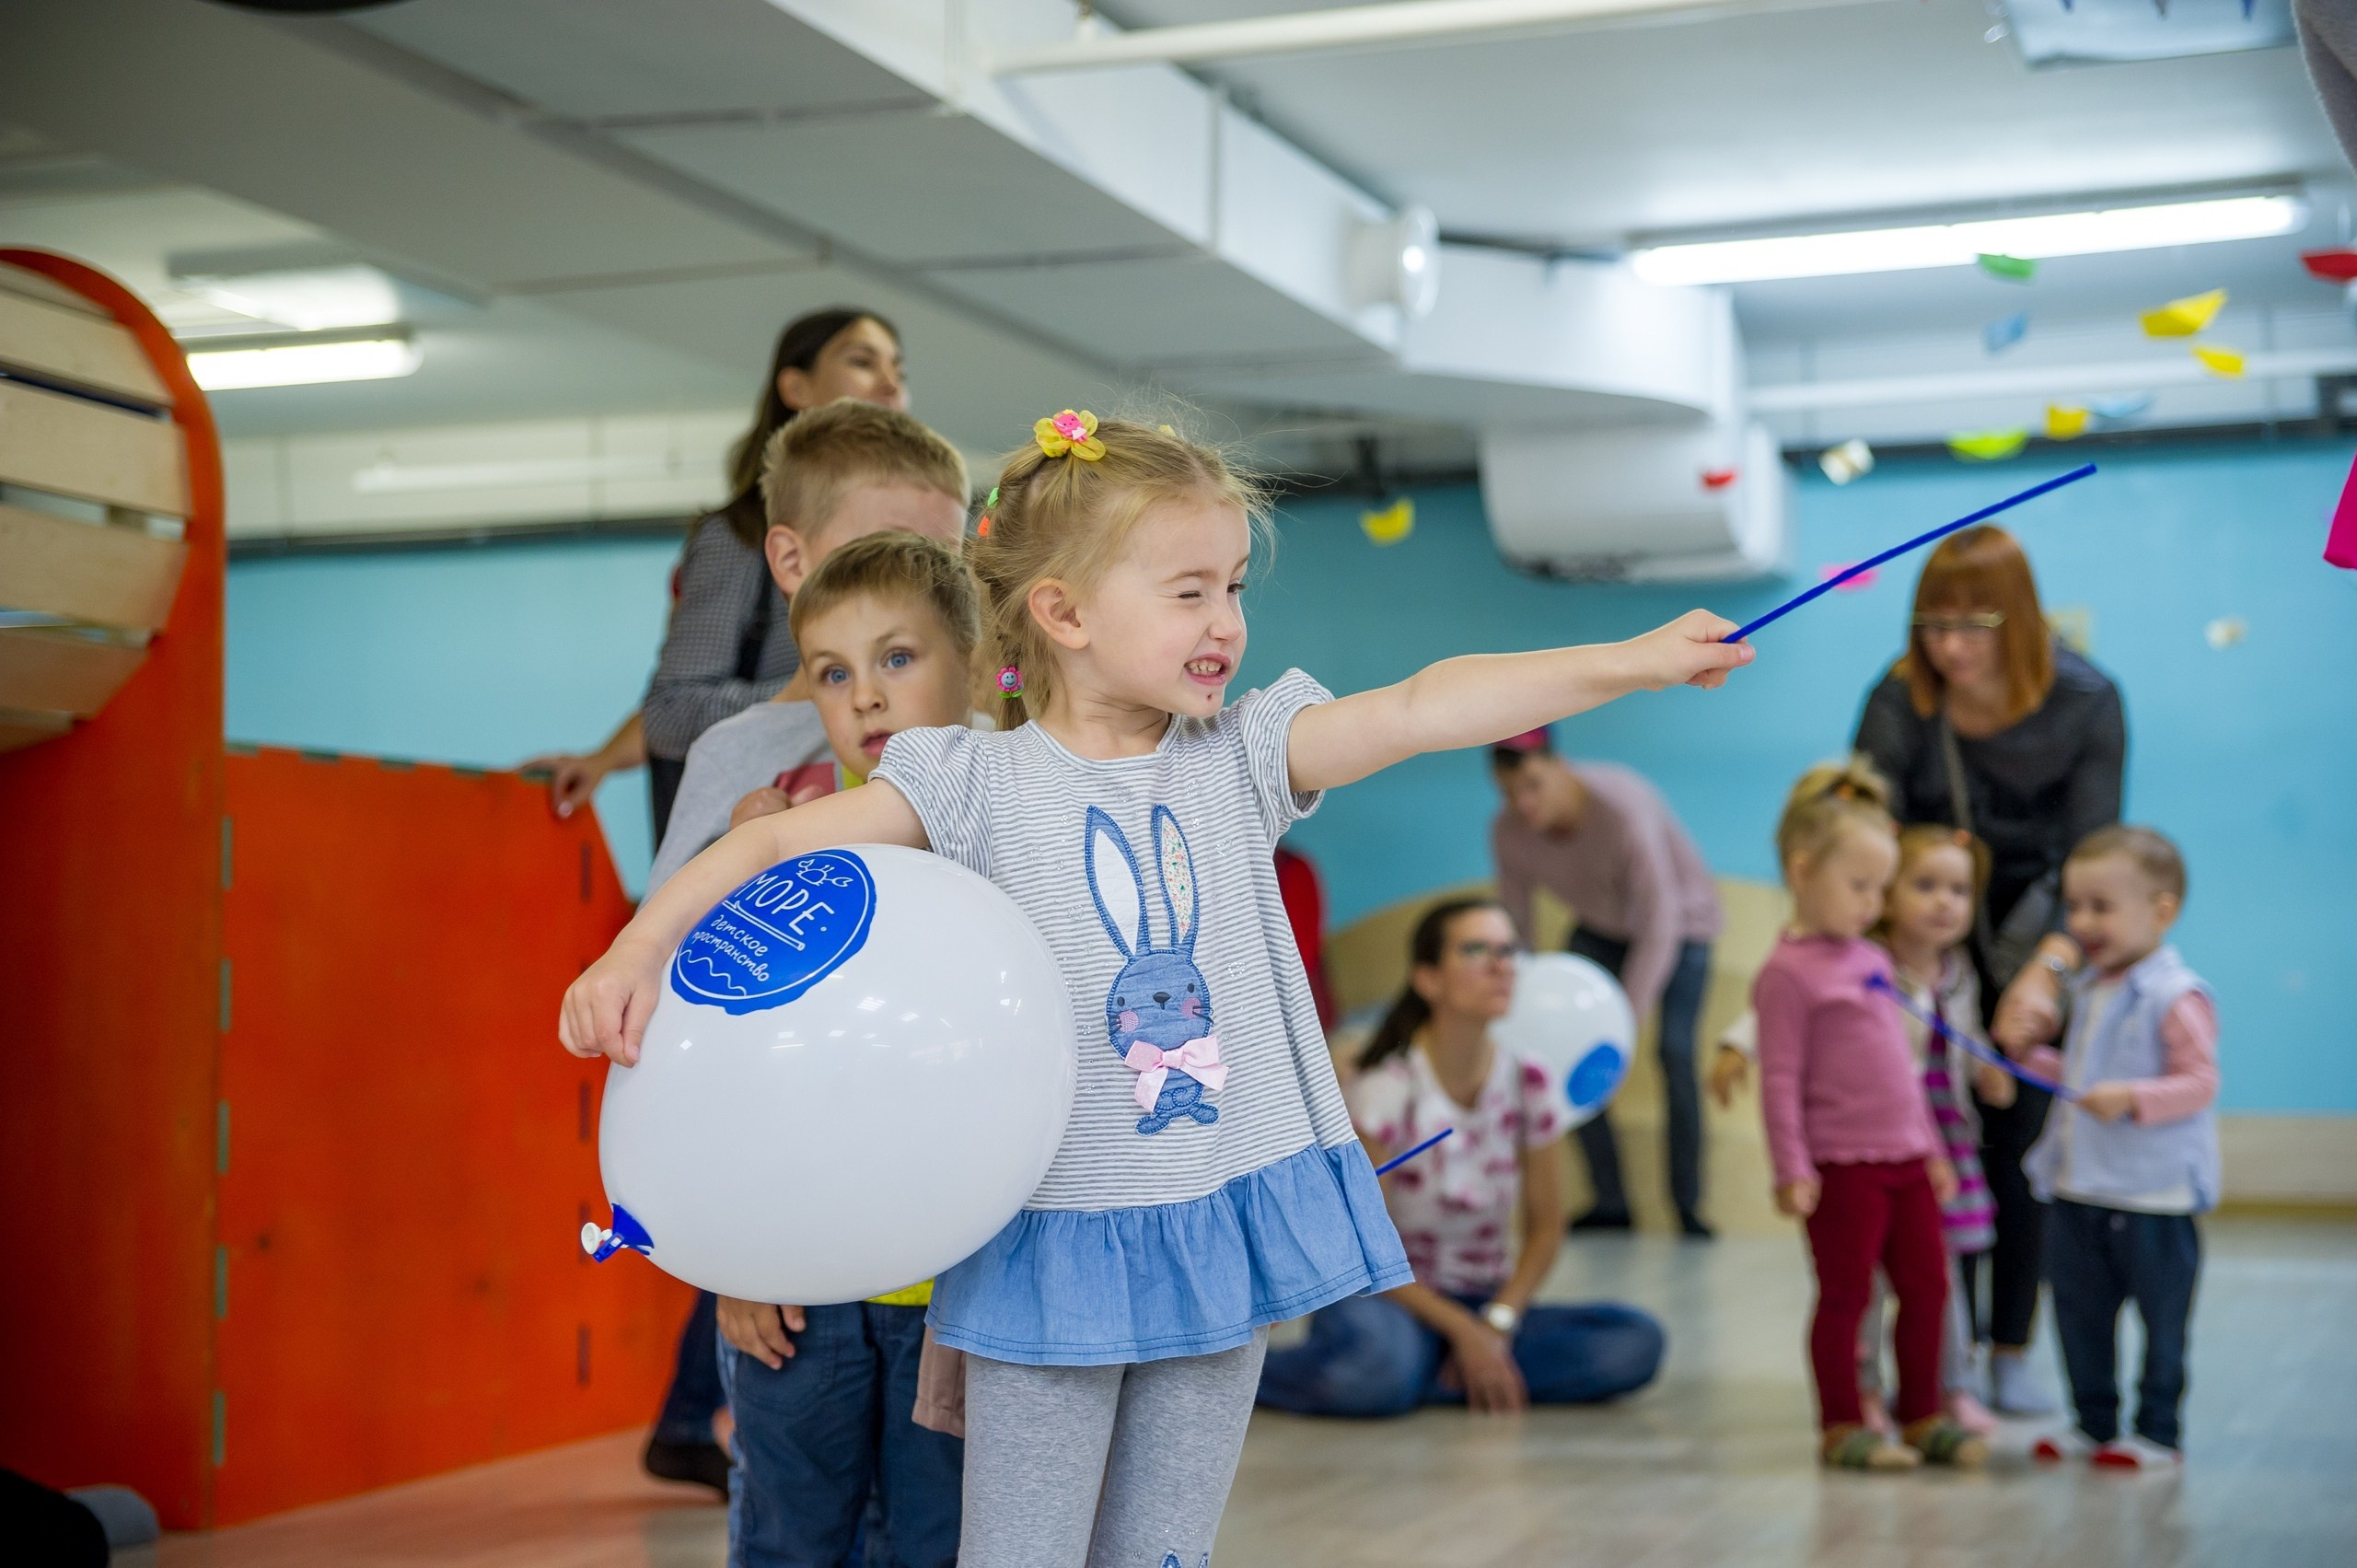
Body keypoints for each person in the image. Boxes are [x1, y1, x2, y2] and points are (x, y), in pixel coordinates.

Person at [560, 411, 1751, 1568]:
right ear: (1063, 610)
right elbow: (768, 849)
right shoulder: (971, 780)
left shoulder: (1241, 757)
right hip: (1048, 1246)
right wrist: (632, 951)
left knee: (1163, 1552)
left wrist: (1630, 661)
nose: (1225, 621)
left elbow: (1424, 704)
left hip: (1219, 1228)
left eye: (1233, 585)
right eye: (1189, 589)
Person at [709, 529, 986, 1568]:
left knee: (935, 1541)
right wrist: (733, 1248)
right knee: (790, 1533)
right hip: (796, 1274)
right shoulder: (773, 839)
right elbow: (724, 1064)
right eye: (834, 671)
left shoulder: (1009, 837)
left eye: (897, 658)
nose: (864, 696)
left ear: (972, 655)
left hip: (955, 1289)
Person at [1852, 522, 2125, 1416]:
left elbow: (2090, 855)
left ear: (2020, 621)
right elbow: (1864, 829)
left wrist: (2047, 970)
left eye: (1975, 625)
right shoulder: (1899, 700)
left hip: (2044, 928)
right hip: (1926, 933)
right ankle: (1945, 1352)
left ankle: (2010, 1344)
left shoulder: (2088, 700)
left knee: (2018, 1147)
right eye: (1933, 624)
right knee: (1930, 1147)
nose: (1951, 647)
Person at [1257, 899, 1666, 1418]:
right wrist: (1460, 1331)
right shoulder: (1386, 1087)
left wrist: (1496, 1322)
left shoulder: (1529, 1079)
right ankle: (1267, 1379)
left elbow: (1546, 1227)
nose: (1501, 966)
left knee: (1634, 1342)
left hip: (1481, 1300)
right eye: (1476, 950)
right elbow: (1364, 1251)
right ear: (1428, 979)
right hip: (1390, 1302)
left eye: (1508, 951)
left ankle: (1434, 1373)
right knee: (1378, 1366)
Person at [523, 308, 911, 838]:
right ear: (796, 387)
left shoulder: (915, 535)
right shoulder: (740, 537)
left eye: (900, 370)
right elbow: (675, 708)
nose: (891, 385)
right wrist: (816, 691)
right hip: (768, 839)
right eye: (863, 362)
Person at [1753, 757, 1983, 1471]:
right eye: (1858, 886)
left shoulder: (1873, 960)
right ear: (1801, 869)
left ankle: (1922, 1413)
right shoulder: (1787, 973)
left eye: (1879, 888)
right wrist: (1792, 1166)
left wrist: (1933, 1148)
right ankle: (1843, 1421)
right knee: (1848, 1295)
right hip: (1842, 1166)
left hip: (1907, 1159)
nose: (1871, 902)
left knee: (1929, 1288)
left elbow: (1902, 1067)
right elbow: (1780, 1080)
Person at [646, 401, 971, 891]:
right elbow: (665, 944)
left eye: (944, 563)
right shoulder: (732, 754)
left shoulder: (999, 739)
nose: (924, 590)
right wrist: (749, 867)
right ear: (791, 561)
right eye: (885, 551)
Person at [2017, 827, 2219, 1470]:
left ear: (2161, 910)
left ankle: (2158, 1431)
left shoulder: (2176, 994)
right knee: (2079, 1314)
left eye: (2100, 906)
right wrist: (2029, 1064)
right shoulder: (2089, 988)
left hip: (2152, 1196)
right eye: (2075, 906)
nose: (2082, 922)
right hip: (2081, 1187)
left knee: (2160, 1324)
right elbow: (2084, 1076)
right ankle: (2093, 1421)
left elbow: (2200, 1081)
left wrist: (2134, 1096)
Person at [1491, 729, 1723, 1237]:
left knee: (1674, 1052)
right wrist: (1513, 1000)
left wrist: (1623, 1020)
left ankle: (1688, 1206)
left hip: (1681, 927)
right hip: (1600, 928)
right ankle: (1611, 1202)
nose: (1524, 804)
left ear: (1560, 767)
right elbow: (1516, 926)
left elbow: (1659, 922)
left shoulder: (1622, 809)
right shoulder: (1509, 831)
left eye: (1533, 785)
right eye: (1509, 792)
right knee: (1559, 1056)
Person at [1857, 826, 2014, 1438]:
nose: (1945, 902)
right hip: (1881, 1140)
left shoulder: (1959, 971)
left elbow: (1966, 1034)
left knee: (1940, 1274)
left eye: (1959, 889)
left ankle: (1950, 1387)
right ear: (1888, 895)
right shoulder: (1869, 967)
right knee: (1868, 1274)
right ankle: (1865, 1387)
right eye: (1926, 886)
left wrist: (1987, 1070)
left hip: (1947, 1144)